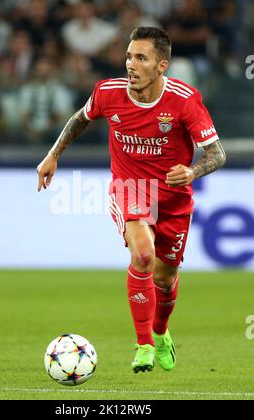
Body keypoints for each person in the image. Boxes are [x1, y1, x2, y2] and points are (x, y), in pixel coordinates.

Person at [36, 27, 226, 374]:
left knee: (165, 279)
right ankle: (143, 345)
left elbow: (217, 154)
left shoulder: (185, 101)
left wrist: (192, 172)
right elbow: (81, 118)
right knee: (142, 256)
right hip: (131, 189)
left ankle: (161, 331)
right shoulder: (108, 93)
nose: (131, 65)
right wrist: (53, 155)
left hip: (174, 199)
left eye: (141, 58)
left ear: (161, 65)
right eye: (128, 56)